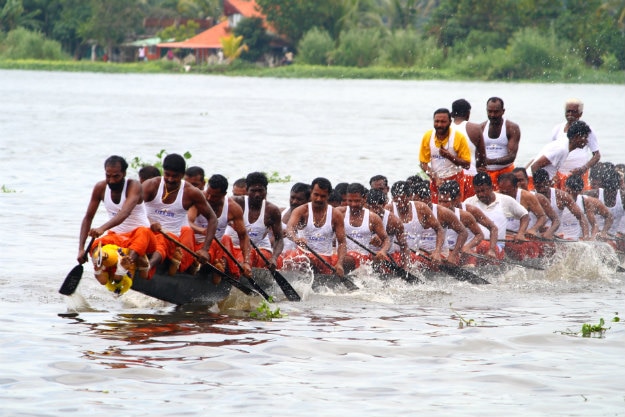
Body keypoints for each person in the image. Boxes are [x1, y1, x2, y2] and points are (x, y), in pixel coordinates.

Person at [78, 155, 155, 289]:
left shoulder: (134, 186)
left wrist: (102, 228)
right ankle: (100, 269)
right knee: (95, 245)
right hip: (117, 236)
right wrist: (81, 249)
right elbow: (88, 217)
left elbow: (124, 213)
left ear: (124, 174)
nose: (111, 180)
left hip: (140, 236)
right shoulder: (100, 188)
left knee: (143, 232)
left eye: (116, 176)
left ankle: (125, 266)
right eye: (108, 176)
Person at [142, 153, 218, 275]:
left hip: (170, 238)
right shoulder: (150, 185)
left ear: (182, 175)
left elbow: (213, 219)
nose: (170, 179)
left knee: (164, 239)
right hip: (146, 231)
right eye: (167, 175)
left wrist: (205, 250)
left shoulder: (191, 192)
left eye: (175, 176)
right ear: (163, 171)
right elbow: (131, 208)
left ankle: (148, 267)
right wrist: (150, 222)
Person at [187, 174, 253, 278]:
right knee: (186, 231)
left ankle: (218, 268)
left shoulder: (233, 208)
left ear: (224, 194)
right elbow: (188, 223)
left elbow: (243, 237)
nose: (209, 198)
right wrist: (202, 231)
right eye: (208, 193)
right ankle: (194, 264)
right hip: (192, 244)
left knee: (225, 239)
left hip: (213, 248)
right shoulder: (199, 199)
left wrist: (247, 262)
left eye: (214, 196)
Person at [285, 177, 347, 278]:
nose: (318, 199)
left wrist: (339, 264)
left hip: (325, 258)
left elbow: (342, 242)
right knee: (291, 260)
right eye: (316, 195)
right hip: (302, 255)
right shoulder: (301, 211)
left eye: (323, 196)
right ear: (311, 193)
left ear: (328, 196)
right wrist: (296, 239)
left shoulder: (336, 215)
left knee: (307, 260)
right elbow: (289, 229)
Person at [464, 173, 530, 260]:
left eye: (483, 191)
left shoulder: (505, 200)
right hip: (474, 244)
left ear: (491, 187)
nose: (480, 195)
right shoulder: (469, 202)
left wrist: (520, 233)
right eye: (477, 192)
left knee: (479, 246)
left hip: (495, 246)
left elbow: (525, 215)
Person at [225, 172, 284, 269]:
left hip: (256, 251)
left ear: (266, 190)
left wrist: (274, 258)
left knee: (250, 253)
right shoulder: (235, 202)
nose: (257, 194)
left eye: (260, 190)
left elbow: (279, 239)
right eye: (253, 191)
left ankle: (237, 269)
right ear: (247, 190)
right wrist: (230, 222)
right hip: (232, 248)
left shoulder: (272, 210)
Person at [438, 180, 497, 264]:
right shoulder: (435, 212)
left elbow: (485, 232)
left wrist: (491, 250)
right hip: (447, 251)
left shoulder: (468, 213)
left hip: (465, 252)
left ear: (456, 199)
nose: (441, 206)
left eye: (445, 202)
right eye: (439, 201)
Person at [419, 108, 471, 203]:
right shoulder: (428, 136)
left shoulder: (459, 137)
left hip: (456, 179)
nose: (439, 125)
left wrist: (449, 156)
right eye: (437, 121)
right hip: (436, 180)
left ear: (450, 122)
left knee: (456, 209)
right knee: (436, 210)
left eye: (443, 122)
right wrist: (435, 178)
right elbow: (423, 163)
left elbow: (467, 165)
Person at [337, 183, 390, 273]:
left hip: (362, 259)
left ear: (364, 199)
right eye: (350, 201)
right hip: (341, 257)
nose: (353, 204)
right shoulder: (338, 213)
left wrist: (383, 251)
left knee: (346, 259)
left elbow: (386, 239)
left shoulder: (373, 218)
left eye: (357, 201)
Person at [549, 98, 601, 190]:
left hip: (579, 175)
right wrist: (552, 172)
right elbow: (551, 153)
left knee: (579, 200)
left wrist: (583, 169)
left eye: (574, 112)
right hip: (558, 175)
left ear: (580, 114)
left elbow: (596, 155)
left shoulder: (587, 130)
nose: (570, 115)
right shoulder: (557, 129)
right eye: (568, 111)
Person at [387, 180, 445, 263]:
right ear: (393, 199)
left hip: (414, 255)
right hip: (394, 254)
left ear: (410, 196)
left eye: (403, 201)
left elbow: (439, 229)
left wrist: (437, 252)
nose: (400, 205)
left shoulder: (421, 208)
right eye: (397, 202)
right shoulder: (388, 209)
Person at [411, 182, 468, 265]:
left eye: (416, 201)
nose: (414, 205)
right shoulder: (410, 211)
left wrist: (453, 255)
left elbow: (463, 232)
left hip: (440, 254)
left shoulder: (443, 212)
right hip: (418, 252)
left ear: (427, 199)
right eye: (413, 201)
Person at [533, 168, 591, 240]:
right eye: (538, 187)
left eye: (544, 186)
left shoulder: (561, 196)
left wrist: (586, 237)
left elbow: (581, 217)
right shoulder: (530, 196)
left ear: (550, 183)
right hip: (535, 236)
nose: (541, 190)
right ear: (534, 185)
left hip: (557, 237)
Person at [480, 97, 521, 189]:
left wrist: (490, 162)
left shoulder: (512, 128)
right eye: (489, 111)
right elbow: (474, 153)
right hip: (486, 173)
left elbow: (512, 156)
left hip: (506, 172)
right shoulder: (481, 128)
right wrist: (478, 165)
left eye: (496, 112)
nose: (492, 115)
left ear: (503, 111)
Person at [451, 98, 487, 198]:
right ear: (468, 114)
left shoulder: (444, 128)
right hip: (470, 176)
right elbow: (482, 157)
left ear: (452, 114)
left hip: (450, 177)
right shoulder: (475, 128)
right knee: (469, 209)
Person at [512, 168, 561, 239]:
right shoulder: (505, 196)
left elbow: (556, 220)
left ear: (527, 180)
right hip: (510, 236)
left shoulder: (539, 198)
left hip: (529, 238)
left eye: (521, 180)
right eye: (515, 181)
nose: (518, 183)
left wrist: (548, 232)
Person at [366, 189, 410, 268]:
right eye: (371, 207)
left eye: (376, 207)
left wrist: (405, 267)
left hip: (386, 257)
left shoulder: (394, 221)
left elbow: (404, 246)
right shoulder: (361, 215)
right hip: (366, 256)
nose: (373, 211)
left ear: (384, 205)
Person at [564, 175, 613, 240]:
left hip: (580, 238)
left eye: (575, 193)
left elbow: (595, 224)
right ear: (565, 188)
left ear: (581, 191)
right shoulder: (559, 199)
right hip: (561, 237)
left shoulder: (586, 202)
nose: (571, 196)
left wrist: (602, 233)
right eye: (569, 192)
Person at [280, 182, 311, 260]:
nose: (294, 202)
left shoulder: (312, 219)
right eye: (292, 197)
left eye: (299, 199)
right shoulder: (280, 213)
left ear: (308, 201)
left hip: (300, 259)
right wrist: (278, 236)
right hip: (280, 256)